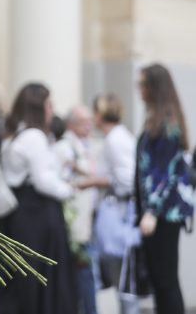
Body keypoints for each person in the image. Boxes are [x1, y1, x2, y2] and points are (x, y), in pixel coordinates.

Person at [0, 83, 78, 314]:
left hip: (23, 214)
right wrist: (69, 189)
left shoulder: (13, 136)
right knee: (39, 279)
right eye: (49, 104)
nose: (52, 110)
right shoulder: (34, 136)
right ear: (38, 107)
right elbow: (44, 181)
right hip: (38, 216)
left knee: (24, 279)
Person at [135, 64, 193, 314]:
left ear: (154, 88)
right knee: (160, 281)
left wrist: (152, 211)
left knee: (165, 280)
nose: (139, 90)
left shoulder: (167, 125)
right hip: (155, 213)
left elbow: (165, 174)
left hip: (162, 215)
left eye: (143, 84)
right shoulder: (157, 121)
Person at [87, 93, 140, 314]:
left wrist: (91, 182)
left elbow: (127, 179)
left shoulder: (115, 139)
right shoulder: (120, 137)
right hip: (117, 214)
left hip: (115, 216)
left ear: (100, 114)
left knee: (121, 281)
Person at [53, 105, 99, 314]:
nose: (88, 125)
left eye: (90, 121)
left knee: (87, 276)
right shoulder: (64, 147)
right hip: (74, 224)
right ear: (70, 123)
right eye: (83, 121)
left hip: (87, 221)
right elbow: (58, 180)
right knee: (83, 275)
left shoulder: (85, 145)